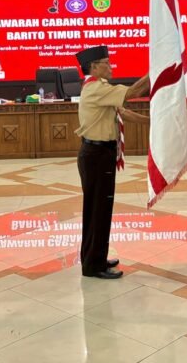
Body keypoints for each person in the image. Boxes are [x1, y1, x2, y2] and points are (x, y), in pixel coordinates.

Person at [75, 45, 150, 279]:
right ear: (94, 67)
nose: (111, 66)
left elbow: (123, 112)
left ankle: (94, 257)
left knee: (98, 210)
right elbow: (133, 92)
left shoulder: (99, 87)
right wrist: (156, 71)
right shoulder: (96, 88)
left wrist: (150, 121)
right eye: (106, 63)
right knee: (98, 210)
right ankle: (94, 265)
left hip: (98, 154)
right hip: (97, 155)